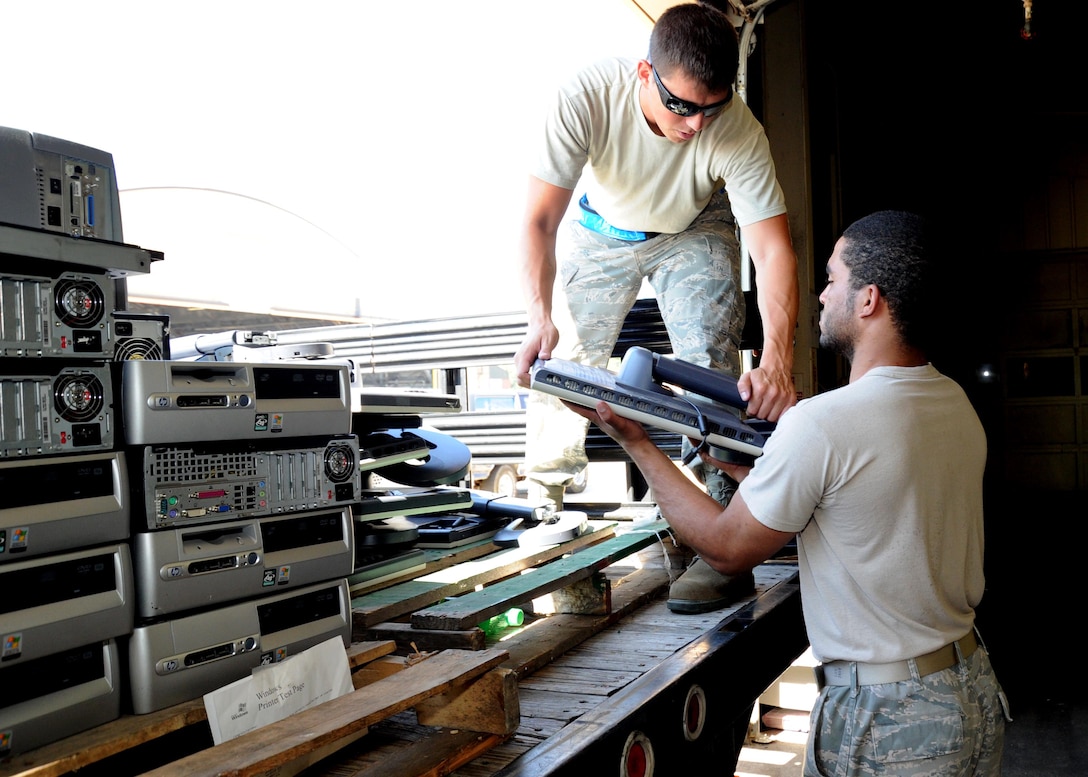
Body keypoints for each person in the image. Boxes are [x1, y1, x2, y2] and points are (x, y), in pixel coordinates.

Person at [564, 210, 1010, 775]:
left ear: (868, 299)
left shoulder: (824, 424)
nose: (821, 296)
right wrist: (753, 466)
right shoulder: (952, 403)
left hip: (888, 718)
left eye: (831, 279)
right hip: (966, 688)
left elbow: (727, 548)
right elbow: (855, 505)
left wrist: (636, 441)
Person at [512, 1, 799, 614]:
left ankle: (725, 533)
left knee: (707, 360)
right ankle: (549, 508)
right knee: (562, 362)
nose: (696, 125)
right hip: (601, 229)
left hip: (694, 225)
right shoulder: (586, 95)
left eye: (711, 109)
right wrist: (539, 317)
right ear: (645, 74)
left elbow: (773, 250)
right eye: (682, 107)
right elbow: (539, 221)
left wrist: (776, 358)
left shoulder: (737, 129)